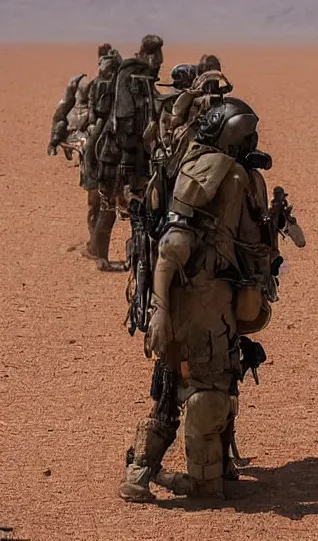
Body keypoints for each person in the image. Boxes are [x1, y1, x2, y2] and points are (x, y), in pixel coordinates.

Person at [120, 97, 288, 501]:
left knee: (172, 382)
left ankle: (140, 473)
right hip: (204, 303)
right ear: (233, 137)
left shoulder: (198, 166)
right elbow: (175, 244)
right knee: (211, 386)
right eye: (247, 137)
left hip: (188, 298)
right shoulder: (224, 176)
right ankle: (201, 481)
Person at [92, 34, 164, 271]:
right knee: (109, 203)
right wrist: (129, 151)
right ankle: (100, 257)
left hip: (136, 155)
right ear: (150, 54)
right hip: (117, 155)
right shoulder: (130, 74)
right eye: (158, 60)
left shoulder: (143, 77)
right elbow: (123, 118)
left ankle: (137, 257)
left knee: (139, 207)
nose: (160, 65)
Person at [46, 43, 119, 258]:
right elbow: (64, 110)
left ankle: (97, 247)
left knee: (103, 201)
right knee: (96, 200)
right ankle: (95, 247)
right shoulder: (85, 85)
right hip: (92, 145)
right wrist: (56, 138)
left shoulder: (121, 86)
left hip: (108, 144)